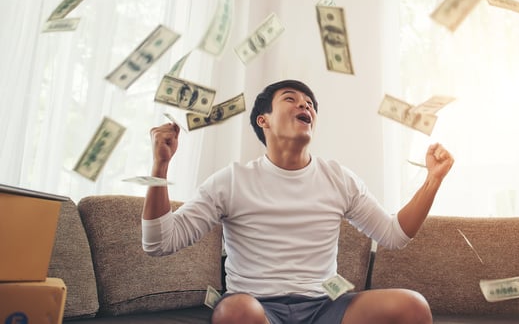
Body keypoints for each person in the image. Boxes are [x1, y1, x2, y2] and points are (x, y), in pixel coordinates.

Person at [143, 79, 454, 324]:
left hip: (326, 307)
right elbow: (159, 243)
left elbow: (394, 235)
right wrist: (161, 166)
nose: (304, 105)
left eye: (309, 104)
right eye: (290, 99)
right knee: (235, 312)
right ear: (263, 120)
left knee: (412, 306)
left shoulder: (337, 178)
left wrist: (432, 180)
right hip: (256, 307)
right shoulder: (232, 180)